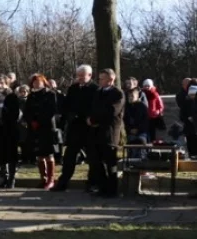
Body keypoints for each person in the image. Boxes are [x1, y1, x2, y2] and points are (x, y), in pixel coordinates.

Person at [52, 65, 98, 192]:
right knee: (69, 157)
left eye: (82, 76)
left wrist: (90, 117)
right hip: (74, 127)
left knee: (92, 158)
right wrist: (67, 116)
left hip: (89, 127)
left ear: (89, 75)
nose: (80, 78)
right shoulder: (73, 88)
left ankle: (92, 183)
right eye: (78, 75)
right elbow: (66, 105)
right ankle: (63, 183)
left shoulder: (95, 89)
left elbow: (95, 107)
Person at [88, 69, 124, 197]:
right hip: (95, 131)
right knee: (96, 161)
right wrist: (91, 119)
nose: (100, 81)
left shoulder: (117, 94)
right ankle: (102, 187)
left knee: (110, 161)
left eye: (102, 78)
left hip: (109, 132)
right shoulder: (98, 92)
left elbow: (111, 111)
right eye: (100, 78)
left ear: (111, 79)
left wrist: (95, 120)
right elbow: (93, 108)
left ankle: (112, 189)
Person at [24, 74, 59, 190]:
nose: (36, 84)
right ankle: (43, 178)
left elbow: (51, 110)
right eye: (34, 82)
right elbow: (26, 111)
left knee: (48, 154)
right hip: (34, 128)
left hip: (47, 127)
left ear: (44, 82)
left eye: (38, 82)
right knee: (39, 154)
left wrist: (39, 120)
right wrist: (31, 121)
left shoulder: (50, 94)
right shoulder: (31, 96)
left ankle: (51, 179)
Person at [124, 87, 150, 155]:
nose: (130, 97)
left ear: (137, 96)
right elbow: (125, 121)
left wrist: (138, 129)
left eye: (132, 96)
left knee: (141, 150)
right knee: (131, 151)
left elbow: (145, 121)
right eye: (129, 96)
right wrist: (129, 129)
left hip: (141, 132)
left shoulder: (142, 107)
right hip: (130, 133)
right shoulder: (126, 107)